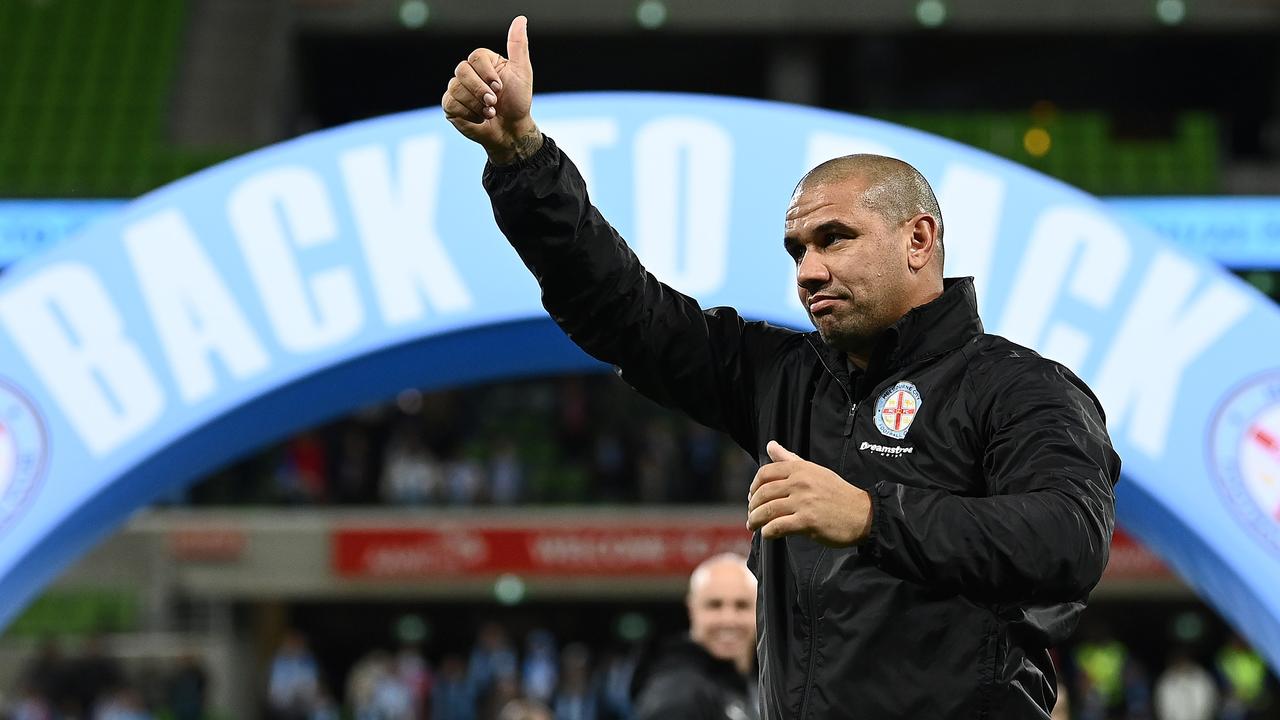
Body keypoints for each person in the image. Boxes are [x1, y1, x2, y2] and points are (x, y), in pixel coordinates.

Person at [441, 17, 1120, 718]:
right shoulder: (785, 375)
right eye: (797, 250)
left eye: (835, 239)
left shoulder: (1021, 388)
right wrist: (523, 160)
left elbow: (1069, 538)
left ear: (919, 238)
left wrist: (869, 514)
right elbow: (625, 314)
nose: (810, 270)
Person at [632, 553, 759, 720]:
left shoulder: (762, 683)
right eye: (714, 605)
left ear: (761, 610)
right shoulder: (676, 692)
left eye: (742, 605)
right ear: (691, 609)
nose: (728, 619)